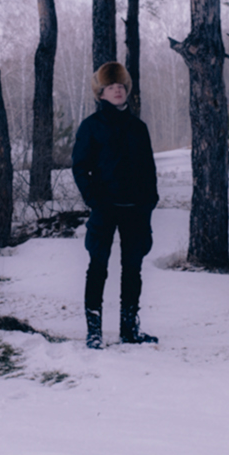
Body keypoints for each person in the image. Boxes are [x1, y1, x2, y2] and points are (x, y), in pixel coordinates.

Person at [71, 62, 159, 348]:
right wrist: (95, 200)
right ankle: (93, 331)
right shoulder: (91, 127)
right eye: (111, 87)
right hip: (105, 209)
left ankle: (129, 328)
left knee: (132, 268)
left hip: (136, 209)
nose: (117, 91)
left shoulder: (138, 128)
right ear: (101, 94)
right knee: (98, 266)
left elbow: (149, 168)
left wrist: (149, 201)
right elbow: (80, 167)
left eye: (121, 86)